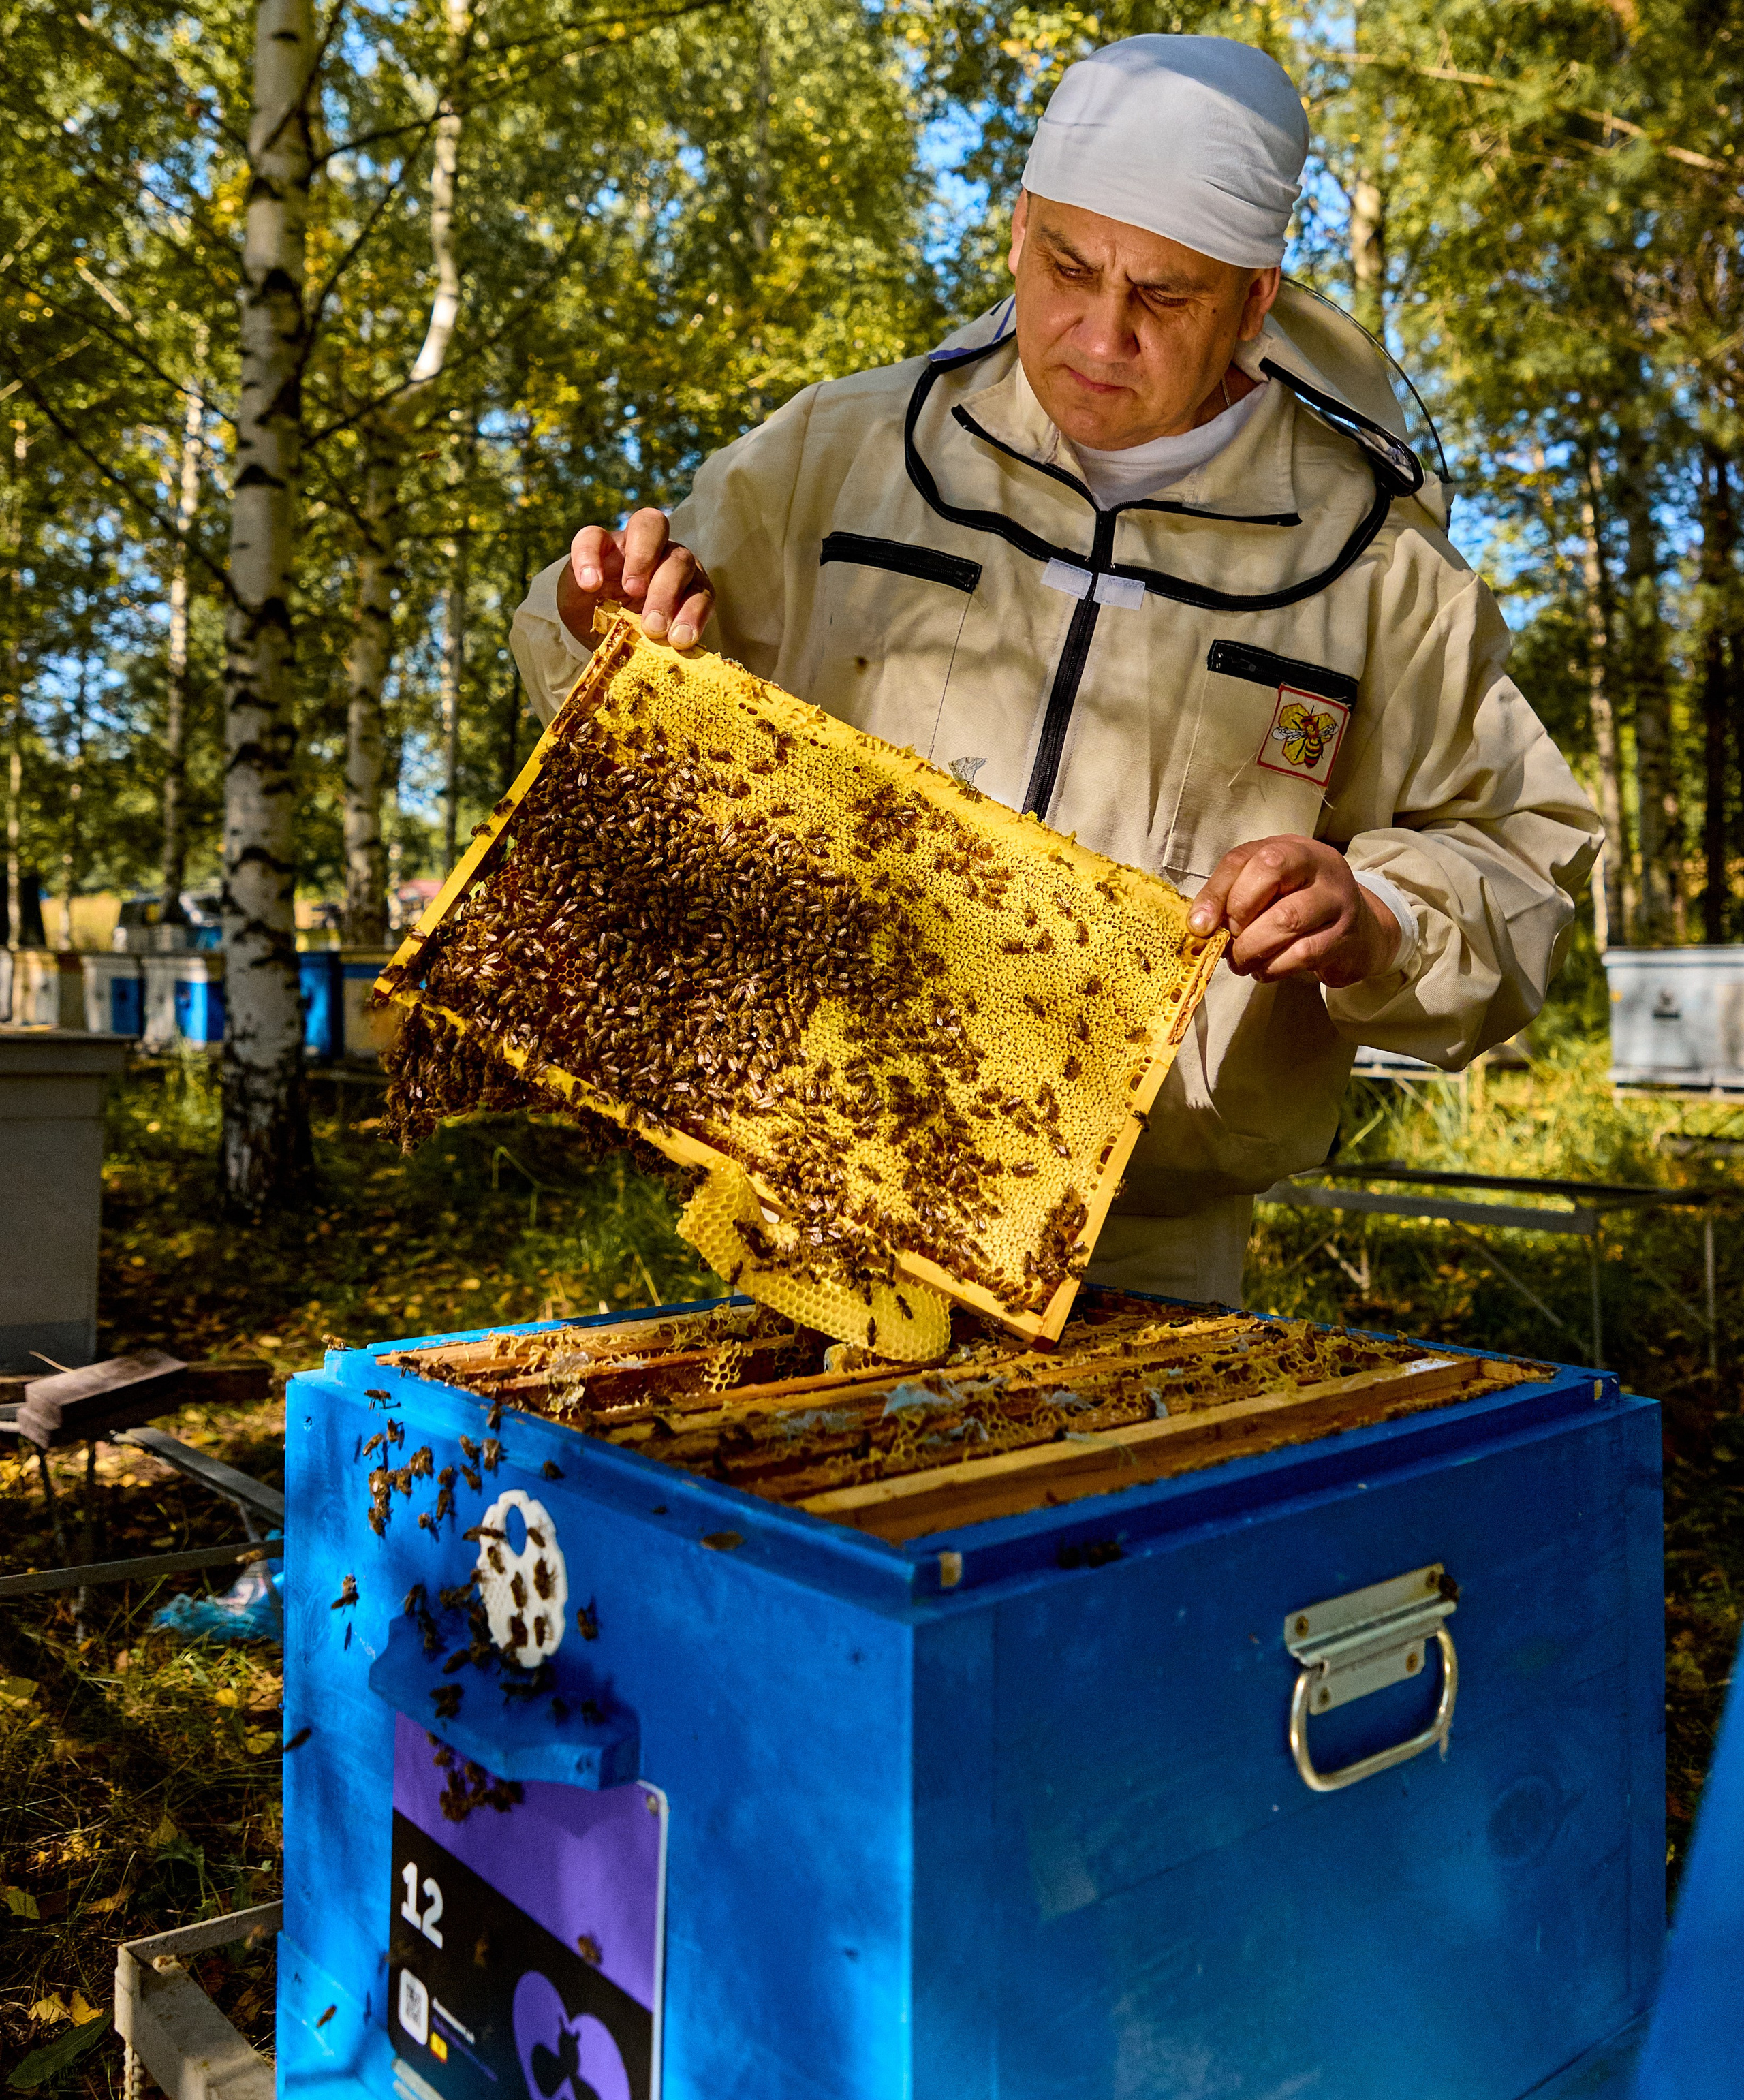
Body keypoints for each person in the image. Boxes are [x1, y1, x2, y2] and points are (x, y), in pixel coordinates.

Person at [510, 34, 1601, 1308]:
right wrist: (602, 623)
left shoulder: (1381, 571)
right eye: (1070, 268)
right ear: (1018, 230)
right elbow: (623, 677)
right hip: (804, 1198)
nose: (1102, 332)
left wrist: (1379, 917)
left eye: (1169, 296)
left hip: (1147, 1248)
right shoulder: (842, 452)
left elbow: (1519, 855)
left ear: (1257, 302)